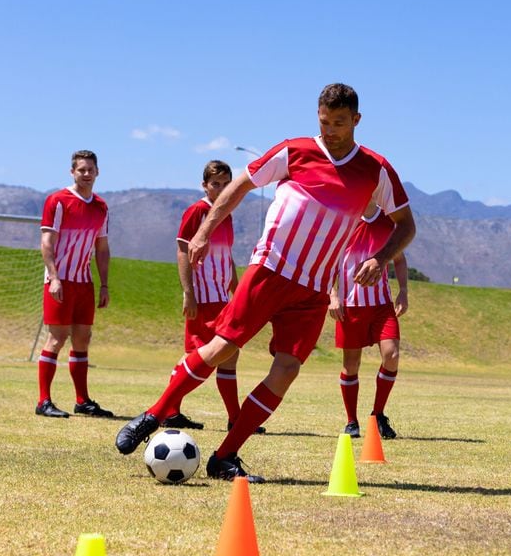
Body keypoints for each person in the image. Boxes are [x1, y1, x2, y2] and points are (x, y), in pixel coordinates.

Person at [115, 83, 416, 482]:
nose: (330, 130)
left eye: (340, 123)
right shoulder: (296, 150)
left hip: (313, 288)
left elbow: (406, 225)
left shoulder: (376, 169)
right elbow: (240, 185)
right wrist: (205, 230)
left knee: (287, 368)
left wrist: (380, 259)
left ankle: (226, 455)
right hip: (270, 270)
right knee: (222, 347)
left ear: (356, 121)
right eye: (324, 122)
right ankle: (154, 414)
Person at [163, 160, 265, 435]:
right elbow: (183, 252)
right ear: (204, 185)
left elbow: (226, 257)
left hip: (221, 298)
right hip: (203, 297)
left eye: (225, 184)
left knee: (228, 355)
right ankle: (170, 411)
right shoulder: (197, 211)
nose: (220, 189)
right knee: (198, 356)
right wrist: (189, 293)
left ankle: (232, 418)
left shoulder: (225, 214)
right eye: (215, 184)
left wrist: (235, 291)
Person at [35, 150, 114, 418]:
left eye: (90, 169)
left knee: (83, 338)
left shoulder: (101, 207)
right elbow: (47, 242)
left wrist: (104, 285)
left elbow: (102, 249)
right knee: (57, 338)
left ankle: (82, 400)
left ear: (97, 172)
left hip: (84, 282)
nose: (86, 174)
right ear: (72, 172)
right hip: (60, 281)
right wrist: (54, 277)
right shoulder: (58, 201)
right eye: (81, 169)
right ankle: (43, 401)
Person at [329, 206, 408, 439]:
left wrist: (403, 291)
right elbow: (328, 263)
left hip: (381, 306)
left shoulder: (388, 221)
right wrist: (332, 296)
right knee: (351, 365)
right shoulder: (342, 220)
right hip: (350, 307)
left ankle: (378, 415)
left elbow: (400, 259)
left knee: (391, 355)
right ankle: (351, 421)